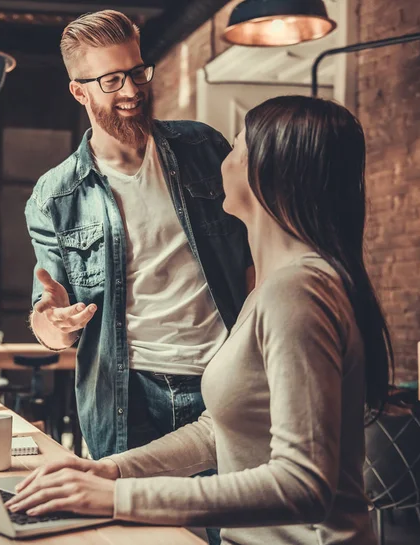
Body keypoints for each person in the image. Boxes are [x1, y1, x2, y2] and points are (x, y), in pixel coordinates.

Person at [7, 95, 393, 545]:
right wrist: (109, 470)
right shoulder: (273, 289)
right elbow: (220, 429)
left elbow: (303, 485)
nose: (223, 160)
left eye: (238, 147)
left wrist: (116, 497)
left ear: (267, 174)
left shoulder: (298, 292)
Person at [26, 10, 252, 465]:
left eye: (136, 72)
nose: (131, 90)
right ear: (79, 91)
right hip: (125, 398)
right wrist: (55, 322)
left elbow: (254, 256)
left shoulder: (205, 149)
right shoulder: (55, 196)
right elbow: (48, 325)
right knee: (136, 532)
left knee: (224, 529)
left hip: (224, 378)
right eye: (111, 80)